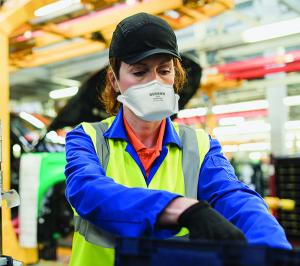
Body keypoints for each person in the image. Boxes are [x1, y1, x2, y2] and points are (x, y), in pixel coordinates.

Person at [64, 12, 291, 266]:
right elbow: (89, 193)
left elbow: (234, 197)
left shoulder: (201, 145)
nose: (155, 83)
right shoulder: (87, 138)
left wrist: (274, 251)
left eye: (164, 70)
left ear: (176, 74)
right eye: (139, 72)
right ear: (114, 80)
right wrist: (181, 209)